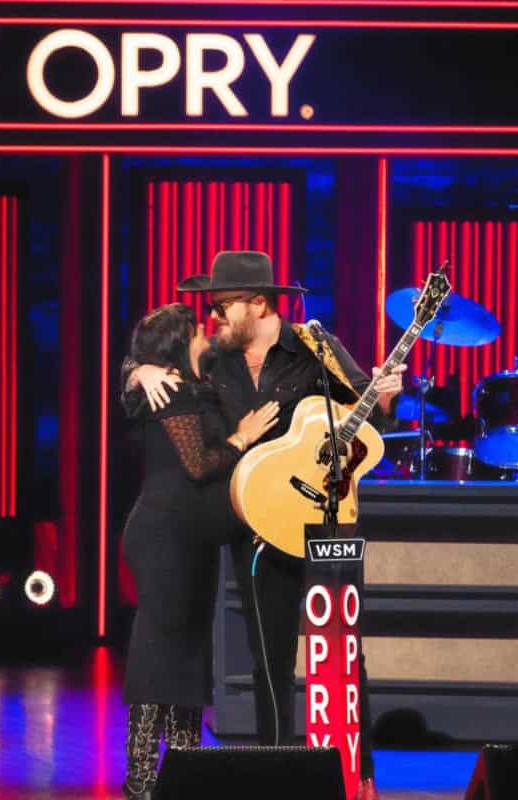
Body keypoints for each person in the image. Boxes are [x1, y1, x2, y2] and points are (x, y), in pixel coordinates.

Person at [125, 251, 405, 800]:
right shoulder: (217, 363)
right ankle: (275, 770)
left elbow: (367, 419)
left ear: (258, 304)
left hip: (323, 522)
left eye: (223, 307)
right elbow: (159, 376)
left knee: (342, 653)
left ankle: (359, 771)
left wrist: (387, 400)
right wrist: (139, 368)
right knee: (267, 655)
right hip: (255, 527)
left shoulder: (314, 347)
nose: (214, 319)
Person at [120, 302, 280, 800]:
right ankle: (141, 774)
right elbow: (197, 464)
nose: (205, 334)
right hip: (163, 536)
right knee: (158, 650)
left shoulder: (199, 382)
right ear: (175, 345)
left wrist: (134, 368)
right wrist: (241, 436)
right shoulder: (167, 390)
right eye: (195, 331)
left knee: (189, 653)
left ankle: (182, 767)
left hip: (194, 538)